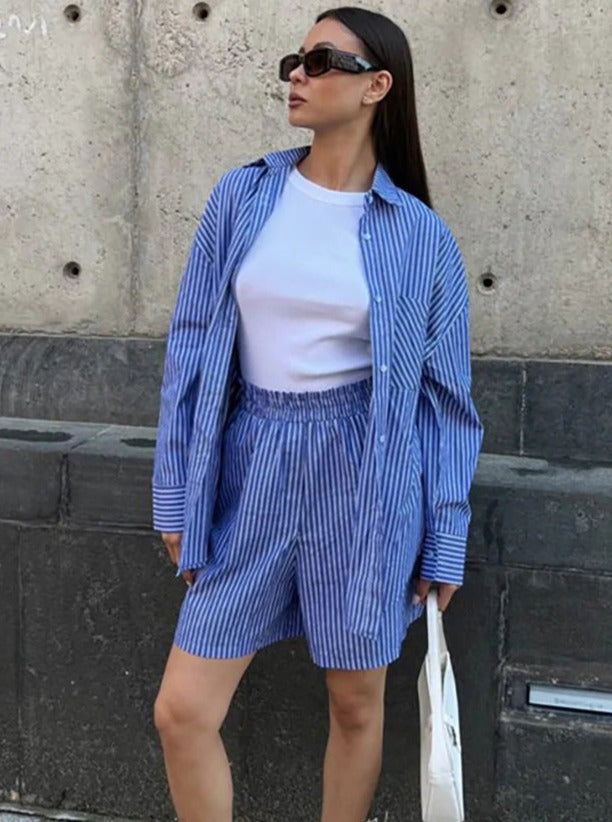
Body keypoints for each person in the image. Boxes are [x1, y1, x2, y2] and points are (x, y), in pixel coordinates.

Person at [151, 6, 484, 822]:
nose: (298, 74)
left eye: (323, 59)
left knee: (356, 705)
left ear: (378, 86)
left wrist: (444, 534)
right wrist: (173, 495)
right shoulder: (244, 196)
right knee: (182, 710)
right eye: (294, 59)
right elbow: (193, 348)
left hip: (365, 473)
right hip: (251, 462)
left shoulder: (421, 237)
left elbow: (444, 403)